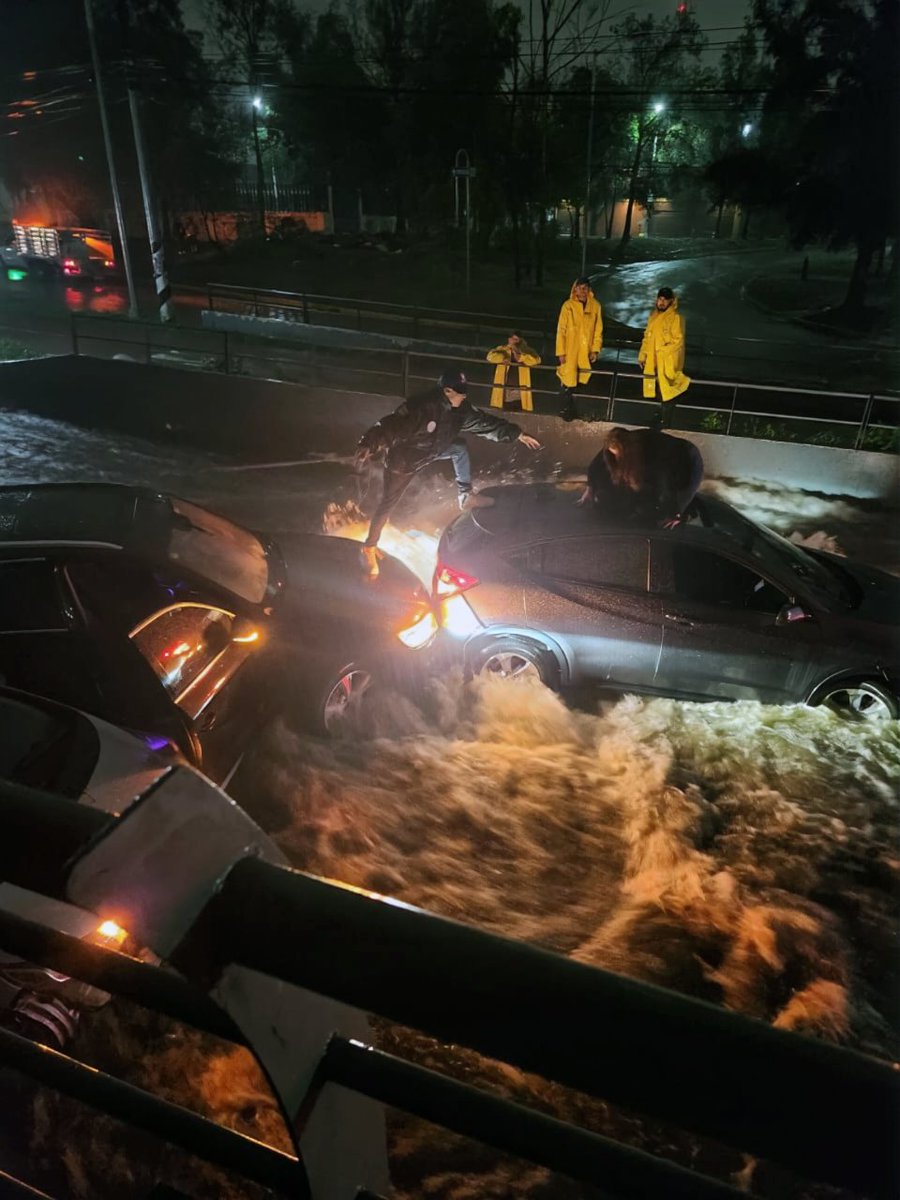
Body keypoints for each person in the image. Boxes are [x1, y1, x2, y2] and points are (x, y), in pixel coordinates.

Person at [354, 368, 542, 578]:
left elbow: (485, 423)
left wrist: (516, 434)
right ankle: (369, 547)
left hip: (432, 450)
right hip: (404, 461)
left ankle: (466, 496)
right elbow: (391, 424)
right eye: (460, 392)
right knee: (388, 504)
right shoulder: (422, 406)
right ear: (447, 391)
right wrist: (369, 443)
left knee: (459, 448)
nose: (464, 396)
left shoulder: (461, 410)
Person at [581, 425, 703, 528]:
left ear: (627, 452)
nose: (616, 458)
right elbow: (598, 463)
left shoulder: (651, 457)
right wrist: (590, 487)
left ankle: (686, 512)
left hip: (688, 459)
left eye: (619, 455)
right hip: (661, 458)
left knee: (671, 493)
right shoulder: (616, 443)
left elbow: (664, 484)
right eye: (613, 454)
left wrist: (676, 512)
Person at [638, 287, 690, 426]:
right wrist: (643, 355)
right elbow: (647, 338)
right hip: (653, 362)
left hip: (666, 362)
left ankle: (666, 422)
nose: (661, 302)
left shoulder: (676, 319)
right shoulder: (653, 317)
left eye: (665, 300)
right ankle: (658, 418)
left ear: (671, 302)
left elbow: (677, 342)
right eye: (660, 299)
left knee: (668, 391)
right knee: (655, 390)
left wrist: (662, 352)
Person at [556, 276, 603, 422]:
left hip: (585, 351)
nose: (582, 291)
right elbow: (561, 330)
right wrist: (561, 352)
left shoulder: (595, 306)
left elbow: (598, 329)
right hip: (570, 350)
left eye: (585, 288)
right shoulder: (568, 306)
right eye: (579, 288)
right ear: (575, 289)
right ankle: (567, 410)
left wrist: (595, 349)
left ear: (589, 289)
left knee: (584, 380)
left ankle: (581, 411)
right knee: (568, 380)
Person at [486, 332, 541, 411]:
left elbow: (536, 360)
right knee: (504, 409)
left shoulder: (527, 351)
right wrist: (503, 357)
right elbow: (490, 357)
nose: (514, 342)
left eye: (517, 340)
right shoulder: (502, 349)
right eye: (513, 339)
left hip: (520, 388)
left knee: (520, 409)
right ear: (509, 339)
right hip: (505, 387)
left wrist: (519, 354)